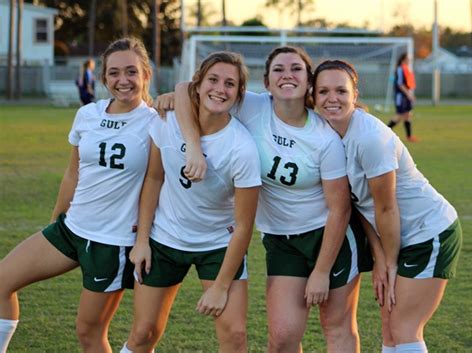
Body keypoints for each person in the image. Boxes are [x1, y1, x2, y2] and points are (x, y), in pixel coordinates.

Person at [156, 46, 372, 353]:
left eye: (296, 69)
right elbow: (185, 89)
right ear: (266, 83)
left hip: (329, 237)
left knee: (336, 327)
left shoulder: (324, 137)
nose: (287, 75)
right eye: (279, 70)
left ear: (308, 81)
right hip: (281, 240)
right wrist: (190, 139)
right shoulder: (253, 106)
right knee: (283, 337)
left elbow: (340, 209)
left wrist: (321, 272)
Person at [0, 37, 157, 353]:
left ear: (145, 75)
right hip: (70, 229)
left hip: (111, 243)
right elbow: (74, 172)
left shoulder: (156, 122)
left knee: (89, 333)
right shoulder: (88, 114)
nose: (122, 80)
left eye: (131, 72)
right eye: (114, 73)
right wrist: (56, 218)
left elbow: (155, 182)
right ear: (103, 77)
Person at [312, 59, 462, 353]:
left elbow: (386, 208)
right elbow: (361, 206)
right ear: (313, 96)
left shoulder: (369, 138)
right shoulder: (327, 136)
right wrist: (380, 258)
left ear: (355, 94)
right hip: (395, 237)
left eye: (341, 91)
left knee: (404, 328)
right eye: (323, 91)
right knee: (389, 325)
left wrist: (390, 264)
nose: (332, 99)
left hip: (428, 232)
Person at [120, 52, 261, 353]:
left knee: (235, 337)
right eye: (213, 79)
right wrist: (142, 240)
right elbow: (154, 180)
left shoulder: (243, 148)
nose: (220, 89)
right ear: (198, 84)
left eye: (230, 84)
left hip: (217, 246)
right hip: (165, 240)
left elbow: (245, 225)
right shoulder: (167, 120)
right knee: (143, 333)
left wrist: (222, 286)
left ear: (238, 95)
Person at [387, 53, 417, 142]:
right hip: (400, 95)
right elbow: (400, 84)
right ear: (403, 59)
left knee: (407, 114)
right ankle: (383, 132)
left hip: (405, 95)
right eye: (408, 58)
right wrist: (408, 94)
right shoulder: (400, 69)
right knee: (399, 115)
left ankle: (409, 137)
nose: (409, 60)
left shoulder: (406, 69)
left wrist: (409, 94)